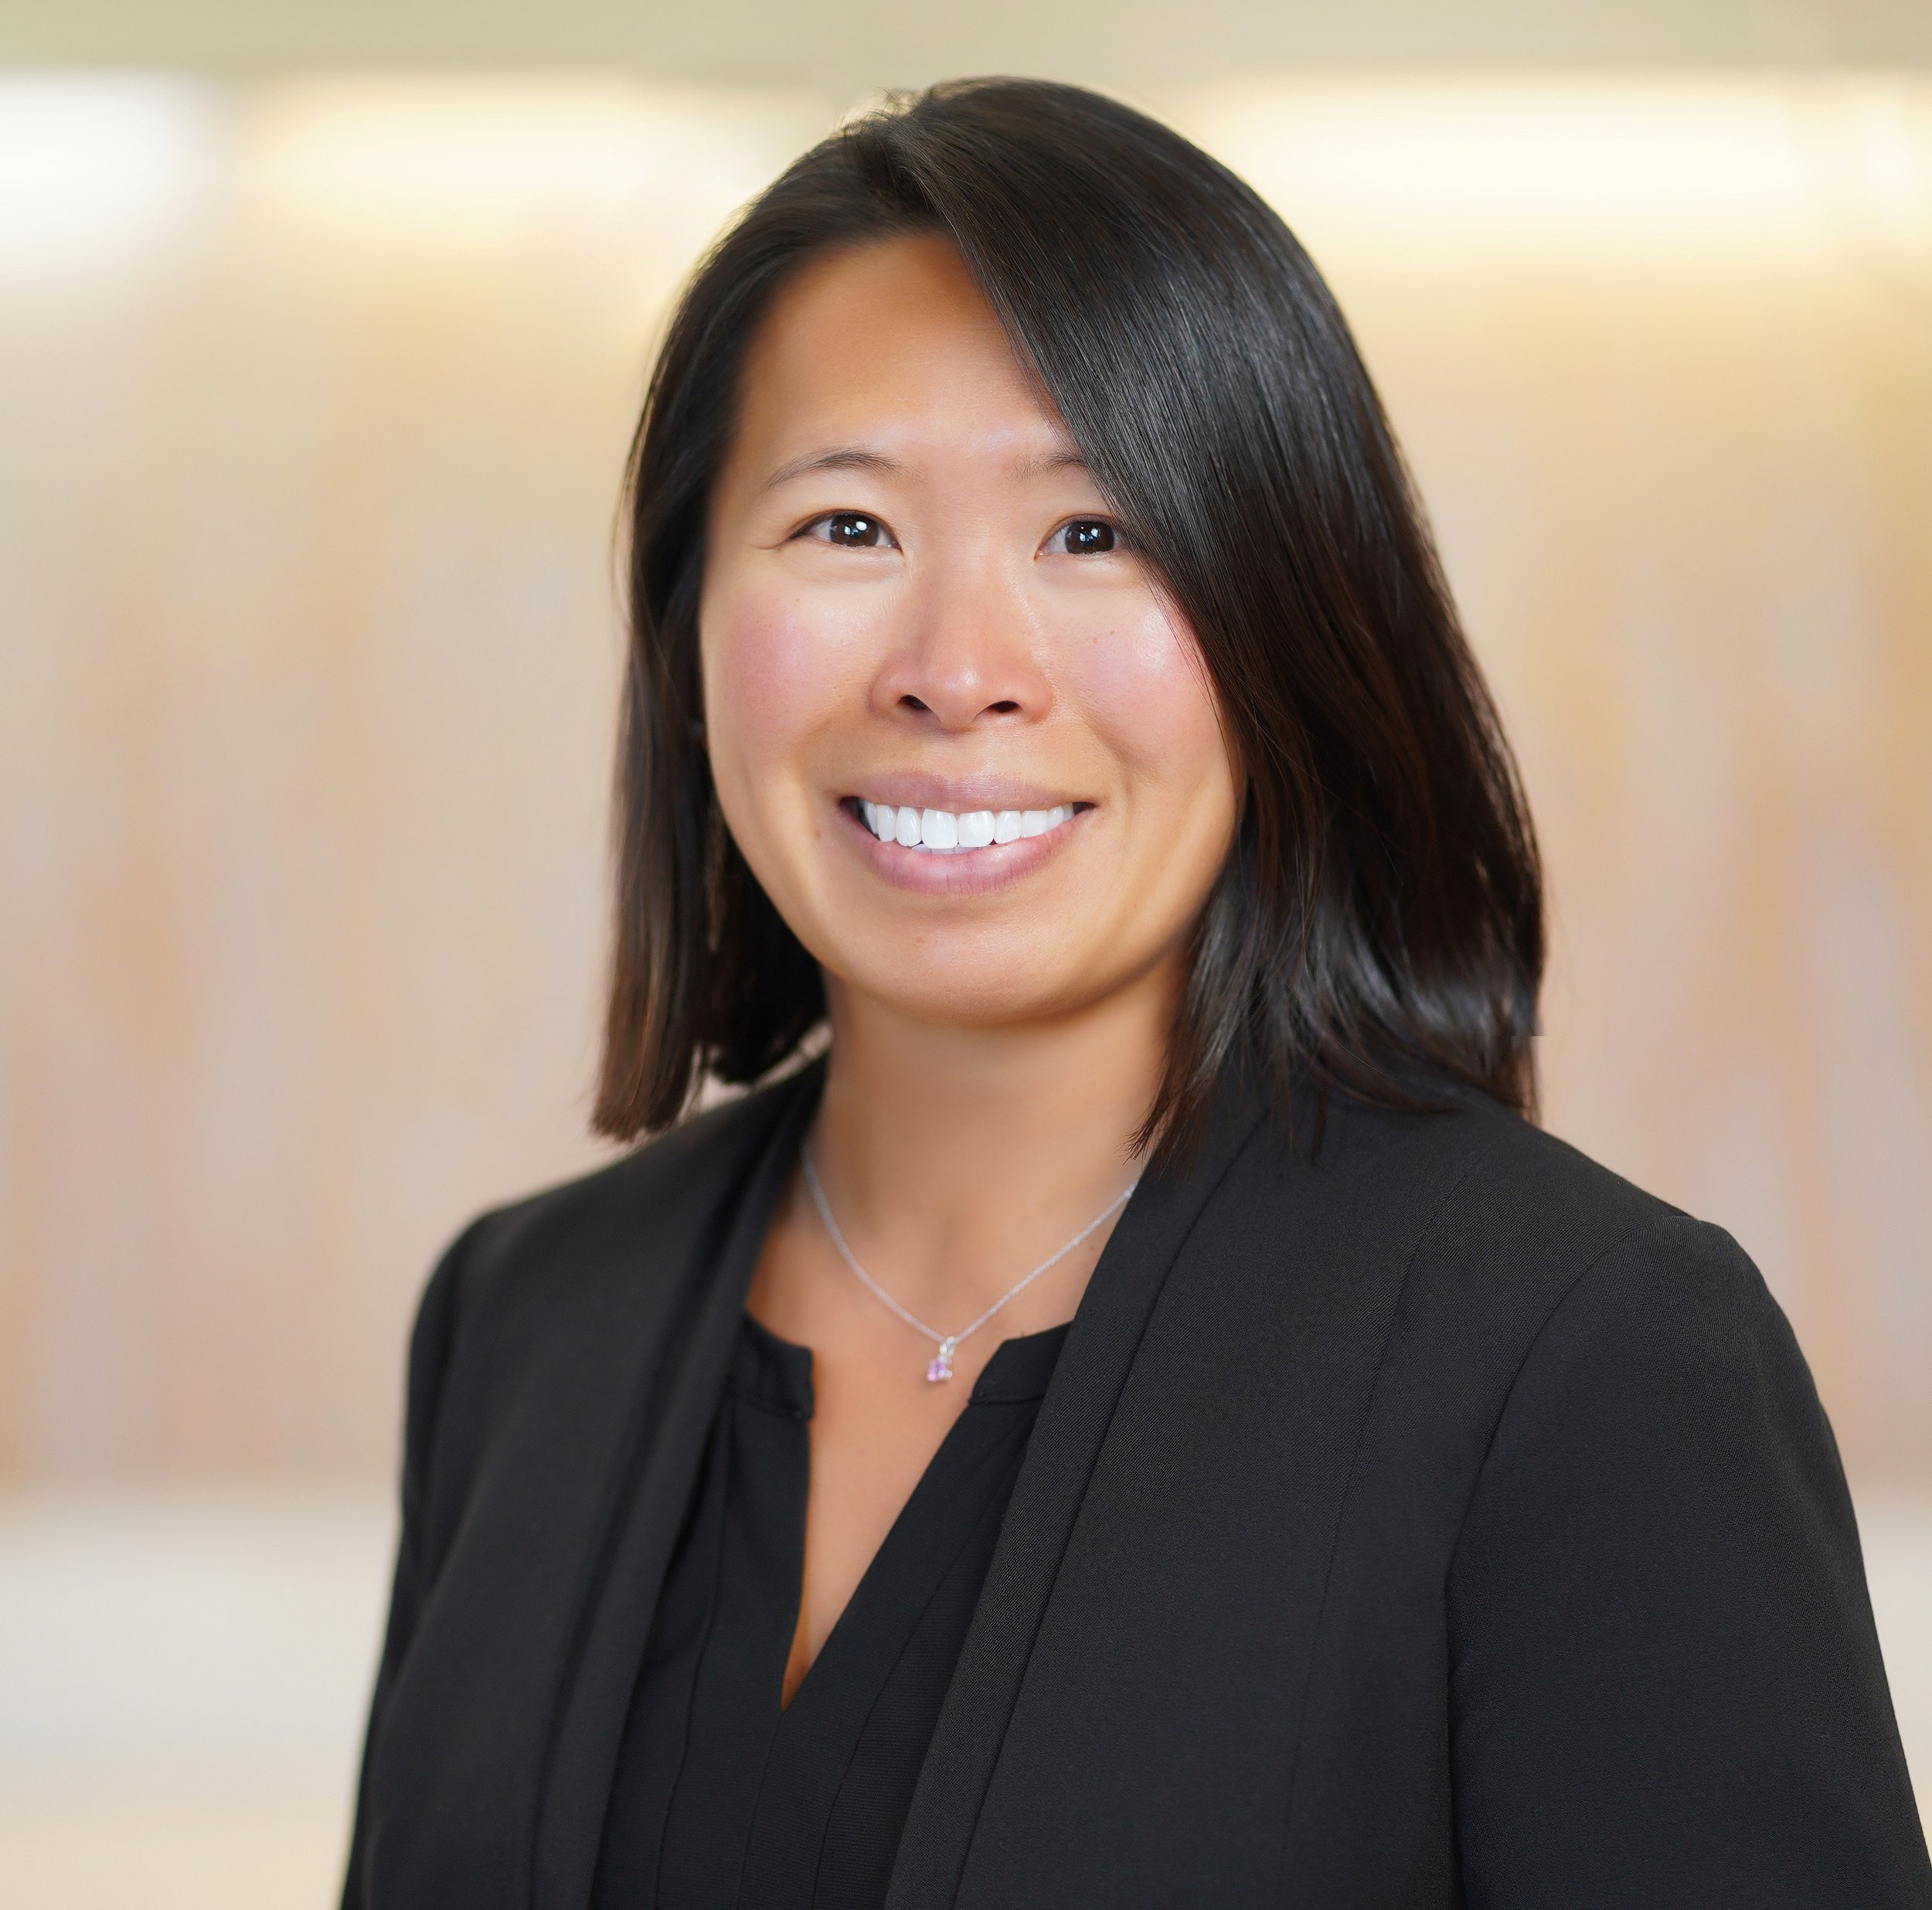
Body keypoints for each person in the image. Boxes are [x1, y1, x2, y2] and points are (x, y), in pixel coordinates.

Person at [341, 78, 1932, 1909]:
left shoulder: (1581, 1357)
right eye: (844, 527)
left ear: (1290, 617)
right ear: (683, 616)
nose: (957, 671)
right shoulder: (527, 1323)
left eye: (1094, 532)